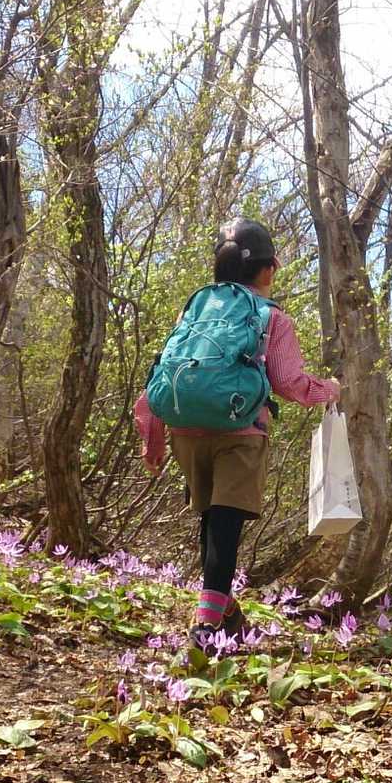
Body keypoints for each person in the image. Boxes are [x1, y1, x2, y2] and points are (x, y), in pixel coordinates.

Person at [133, 217, 341, 645]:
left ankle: (226, 613)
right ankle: (205, 627)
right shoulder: (271, 317)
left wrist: (152, 437)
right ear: (269, 269)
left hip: (185, 428)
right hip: (241, 430)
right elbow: (288, 383)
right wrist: (330, 390)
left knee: (213, 521)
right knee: (225, 525)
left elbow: (165, 368)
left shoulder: (193, 310)